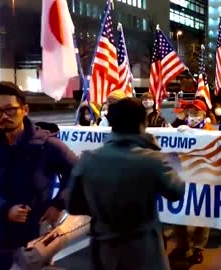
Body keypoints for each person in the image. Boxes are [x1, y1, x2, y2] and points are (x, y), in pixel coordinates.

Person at [66, 97, 185, 270]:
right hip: (145, 253)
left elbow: (73, 205)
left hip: (104, 252)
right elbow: (177, 191)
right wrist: (162, 155)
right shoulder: (153, 160)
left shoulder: (87, 160)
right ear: (141, 124)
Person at [0, 81, 77, 270]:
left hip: (34, 239)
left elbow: (77, 174)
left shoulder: (46, 145)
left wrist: (58, 204)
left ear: (25, 110)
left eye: (10, 109)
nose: (4, 116)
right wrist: (5, 209)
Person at [169, 99, 213, 266]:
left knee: (201, 214)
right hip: (181, 176)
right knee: (178, 212)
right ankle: (182, 245)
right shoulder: (180, 129)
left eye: (197, 113)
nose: (193, 116)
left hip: (202, 177)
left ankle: (197, 248)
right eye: (191, 113)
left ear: (204, 115)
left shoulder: (210, 132)